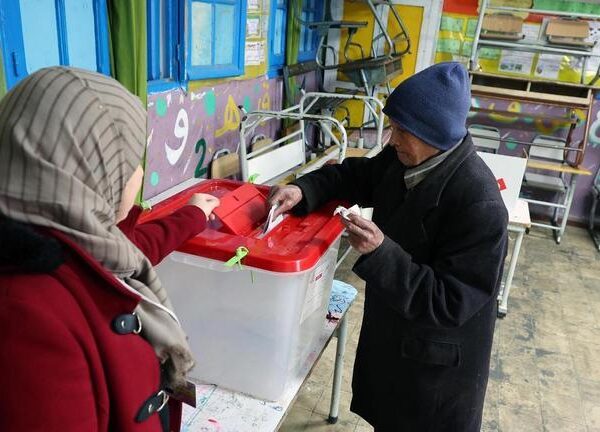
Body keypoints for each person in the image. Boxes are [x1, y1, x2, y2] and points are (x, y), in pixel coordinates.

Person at [270, 62, 508, 431]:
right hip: (398, 342)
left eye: (400, 130)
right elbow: (354, 175)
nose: (390, 139)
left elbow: (450, 301)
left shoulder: (479, 204)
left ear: (435, 133)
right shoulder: (406, 159)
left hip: (435, 370)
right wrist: (304, 189)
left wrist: (382, 253)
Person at [0, 67, 219, 432]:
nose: (135, 173)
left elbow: (133, 251)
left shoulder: (57, 235)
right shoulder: (24, 321)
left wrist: (194, 214)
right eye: (132, 159)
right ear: (91, 165)